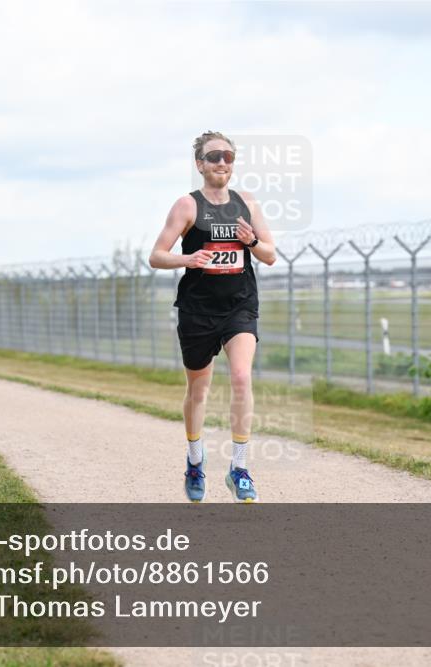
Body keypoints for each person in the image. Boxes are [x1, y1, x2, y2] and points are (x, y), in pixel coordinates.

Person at [149, 131, 276, 503]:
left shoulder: (246, 203)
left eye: (228, 156)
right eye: (214, 156)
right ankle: (194, 461)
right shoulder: (187, 206)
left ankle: (239, 469)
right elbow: (156, 256)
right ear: (200, 164)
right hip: (198, 310)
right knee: (198, 390)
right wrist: (187, 259)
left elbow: (270, 255)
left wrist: (252, 242)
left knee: (241, 377)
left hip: (239, 306)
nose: (222, 162)